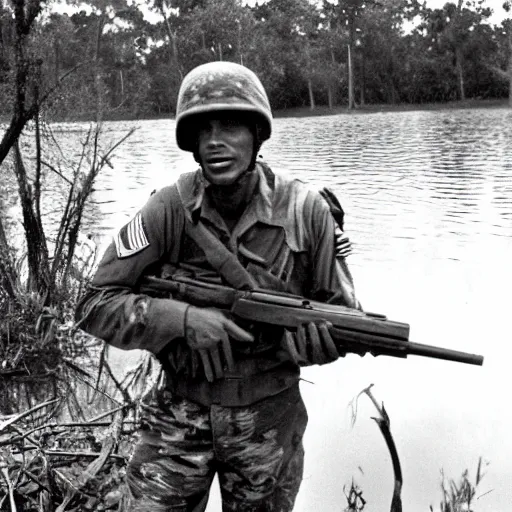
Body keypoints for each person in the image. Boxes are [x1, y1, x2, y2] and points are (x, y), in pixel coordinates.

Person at [76, 61, 361, 512]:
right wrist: (182, 320)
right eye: (202, 129)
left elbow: (343, 316)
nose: (214, 141)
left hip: (269, 422)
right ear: (190, 142)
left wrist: (318, 346)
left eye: (230, 125)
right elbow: (93, 302)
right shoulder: (167, 208)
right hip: (178, 415)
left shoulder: (307, 211)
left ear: (257, 134)